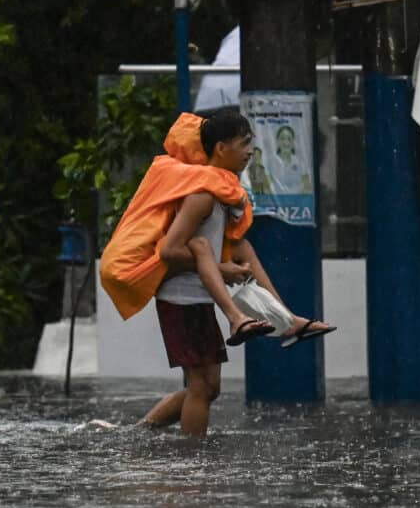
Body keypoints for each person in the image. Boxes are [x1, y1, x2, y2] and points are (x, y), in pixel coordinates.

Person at [137, 110, 333, 436]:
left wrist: (278, 309)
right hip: (180, 296)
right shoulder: (202, 194)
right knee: (201, 387)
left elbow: (238, 249)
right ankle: (195, 464)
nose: (250, 151)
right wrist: (221, 269)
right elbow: (169, 250)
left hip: (199, 295)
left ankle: (142, 432)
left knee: (209, 387)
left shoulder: (224, 192)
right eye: (243, 144)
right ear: (220, 148)